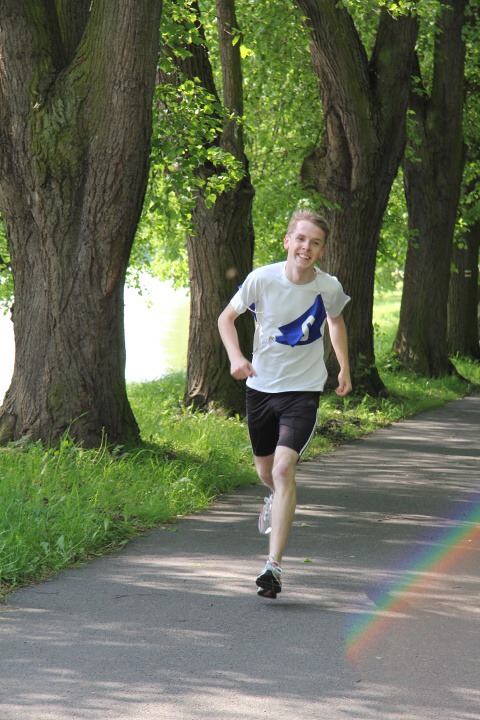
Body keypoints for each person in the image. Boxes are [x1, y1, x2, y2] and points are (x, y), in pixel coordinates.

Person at [218, 209, 352, 599]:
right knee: (266, 472)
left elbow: (336, 322)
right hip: (261, 389)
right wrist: (236, 357)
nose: (306, 248)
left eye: (315, 243)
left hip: (303, 391)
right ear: (288, 241)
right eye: (301, 239)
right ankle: (277, 498)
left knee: (282, 468)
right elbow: (226, 318)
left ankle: (272, 566)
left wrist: (344, 368)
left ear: (322, 250)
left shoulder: (328, 287)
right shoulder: (262, 279)